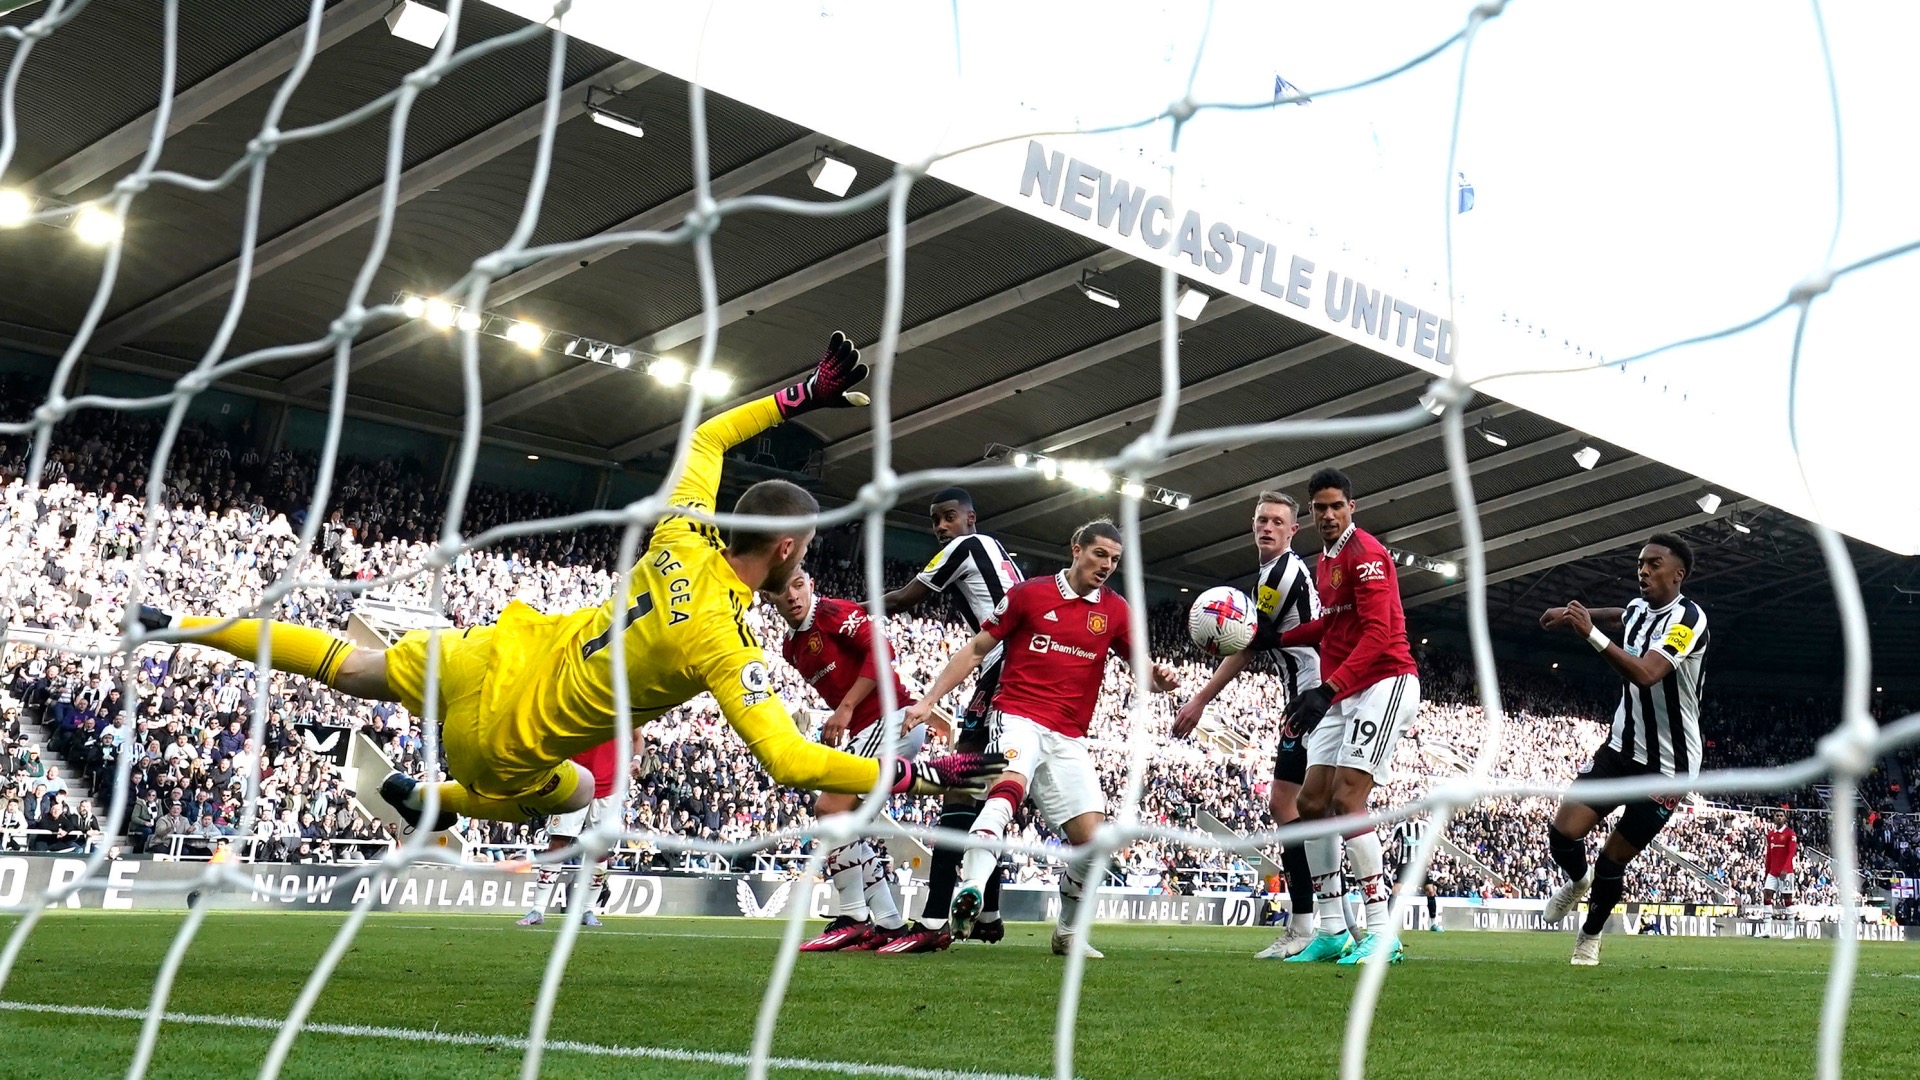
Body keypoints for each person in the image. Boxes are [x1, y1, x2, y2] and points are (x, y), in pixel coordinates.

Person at [136, 333, 1002, 829]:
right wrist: (921, 778)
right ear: (783, 551)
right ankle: (436, 802)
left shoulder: (680, 533)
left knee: (347, 665)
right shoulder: (723, 639)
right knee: (583, 789)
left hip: (490, 655)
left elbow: (704, 440)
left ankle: (174, 622)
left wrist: (802, 392)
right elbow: (786, 760)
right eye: (806, 545)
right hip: (508, 742)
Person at [904, 519, 1179, 959]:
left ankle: (1067, 933)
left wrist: (1161, 679)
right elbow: (977, 649)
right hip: (1015, 714)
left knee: (1095, 844)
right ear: (1076, 548)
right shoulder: (1030, 594)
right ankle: (972, 886)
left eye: (1114, 559)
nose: (1106, 565)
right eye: (1099, 554)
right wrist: (929, 699)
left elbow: (1141, 669)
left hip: (1069, 736)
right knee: (1009, 783)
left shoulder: (1116, 610)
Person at [1537, 533, 1709, 966]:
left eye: (1653, 564)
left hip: (1669, 768)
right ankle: (1578, 882)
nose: (1643, 571)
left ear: (1678, 574)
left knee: (1614, 858)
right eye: (1640, 564)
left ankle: (1589, 938)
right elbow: (1621, 615)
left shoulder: (1689, 620)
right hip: (1620, 748)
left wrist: (1589, 632)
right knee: (1563, 833)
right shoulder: (1637, 610)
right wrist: (1571, 613)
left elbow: (1647, 674)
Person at [1171, 490, 1327, 958]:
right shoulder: (1270, 574)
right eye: (1262, 519)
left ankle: (1308, 925)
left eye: (1278, 521)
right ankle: (1330, 921)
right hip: (1305, 698)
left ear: (1293, 530)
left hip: (1312, 699)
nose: (1268, 527)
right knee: (1308, 810)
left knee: (1294, 806)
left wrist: (1200, 698)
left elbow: (1247, 645)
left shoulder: (1281, 572)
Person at [1276, 468, 1421, 967]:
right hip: (1341, 692)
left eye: (1337, 505)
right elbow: (1330, 624)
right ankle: (1333, 930)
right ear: (1310, 512)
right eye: (1320, 507)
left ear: (1351, 507)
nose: (1329, 514)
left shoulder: (1368, 556)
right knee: (1311, 804)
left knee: (1346, 799)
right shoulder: (1326, 559)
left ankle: (1383, 934)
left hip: (1384, 682)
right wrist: (1273, 639)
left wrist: (1326, 689)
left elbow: (1380, 635)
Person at [876, 487, 1023, 952]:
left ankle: (936, 916)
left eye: (948, 517)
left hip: (1004, 669)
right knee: (985, 793)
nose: (940, 527)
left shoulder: (966, 547)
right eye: (935, 521)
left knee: (959, 783)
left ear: (970, 519)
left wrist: (846, 614)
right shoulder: (997, 554)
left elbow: (904, 598)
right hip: (1011, 669)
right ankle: (990, 916)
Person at [768, 569, 934, 952]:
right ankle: (889, 924)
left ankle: (855, 916)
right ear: (770, 597)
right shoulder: (790, 648)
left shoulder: (832, 613)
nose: (792, 595)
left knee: (829, 808)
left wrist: (844, 709)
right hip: (867, 728)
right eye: (782, 589)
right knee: (848, 827)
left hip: (890, 719)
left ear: (811, 584)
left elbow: (883, 652)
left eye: (798, 585)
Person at [518, 740, 621, 928]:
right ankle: (538, 909)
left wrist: (637, 759)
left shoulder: (625, 711)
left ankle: (589, 910)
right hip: (573, 783)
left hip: (607, 789)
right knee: (558, 843)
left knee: (600, 850)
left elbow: (637, 738)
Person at [1761, 808, 1798, 939]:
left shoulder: (1790, 834)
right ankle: (1766, 930)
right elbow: (1769, 855)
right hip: (1773, 871)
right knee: (1767, 894)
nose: (1779, 818)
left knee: (1787, 898)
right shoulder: (1770, 834)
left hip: (1786, 872)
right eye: (1777, 815)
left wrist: (1786, 868)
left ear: (1785, 818)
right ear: (1774, 818)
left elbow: (1791, 853)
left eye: (1781, 816)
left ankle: (1791, 931)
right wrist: (1767, 871)